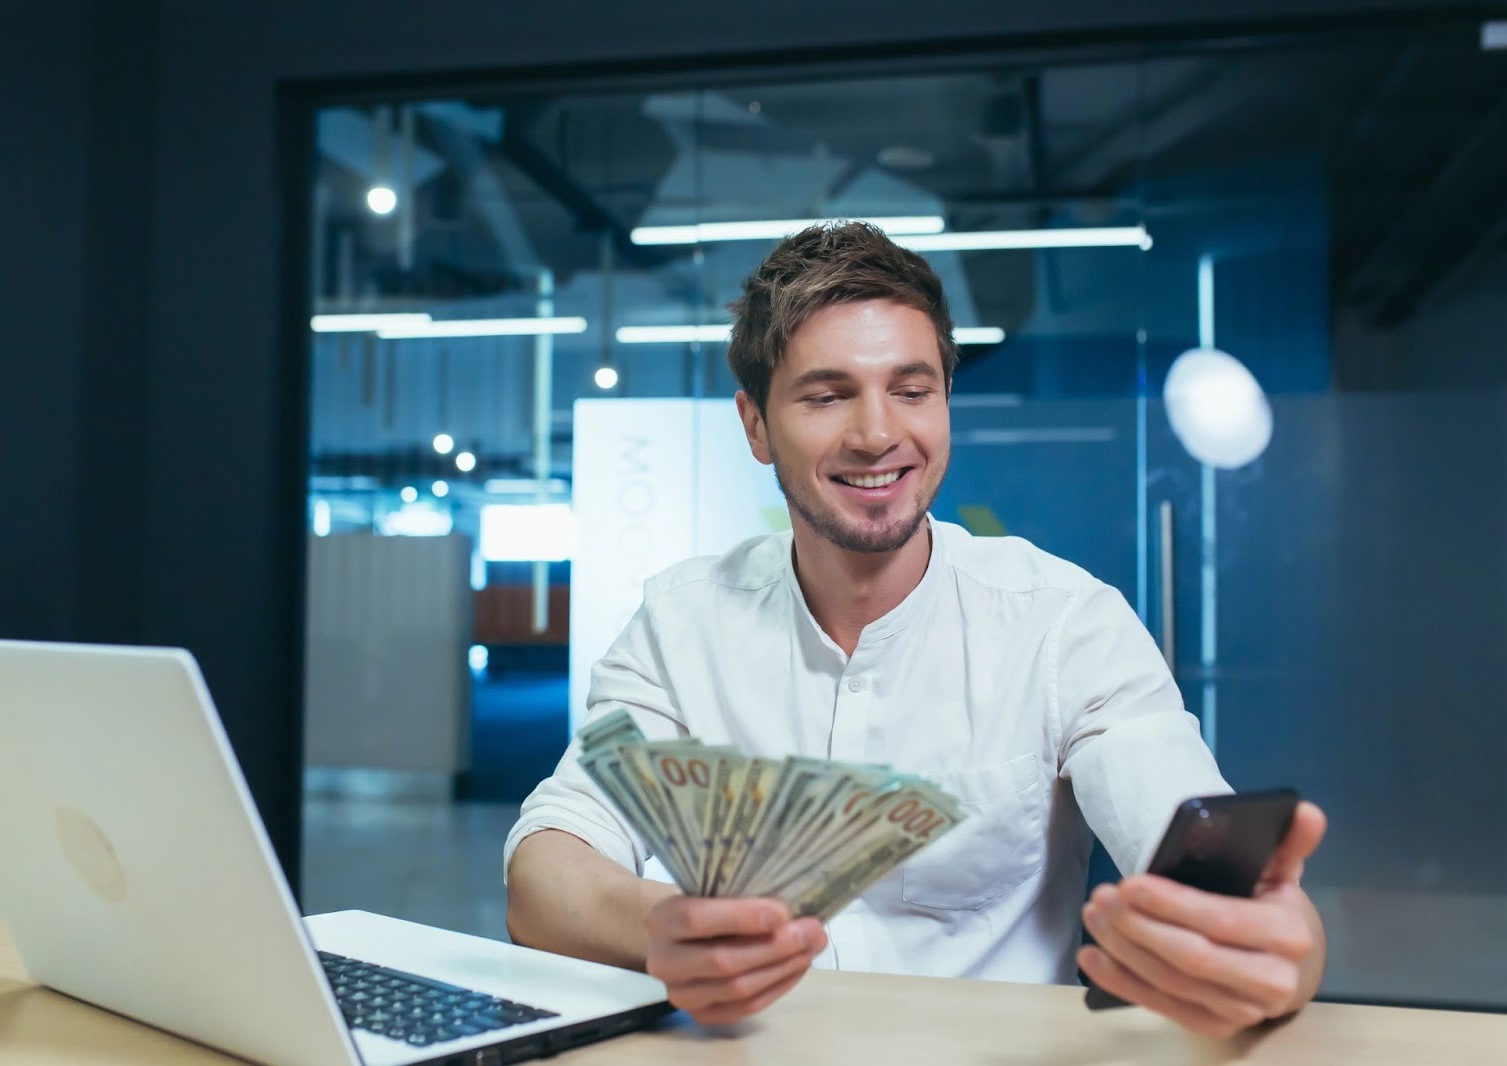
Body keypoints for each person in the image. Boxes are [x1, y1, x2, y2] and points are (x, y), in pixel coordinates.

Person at [504, 221, 1327, 1039]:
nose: (877, 434)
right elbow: (546, 865)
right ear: (755, 425)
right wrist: (658, 927)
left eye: (911, 389)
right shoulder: (680, 624)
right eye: (827, 395)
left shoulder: (1064, 623)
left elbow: (1216, 874)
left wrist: (1280, 951)